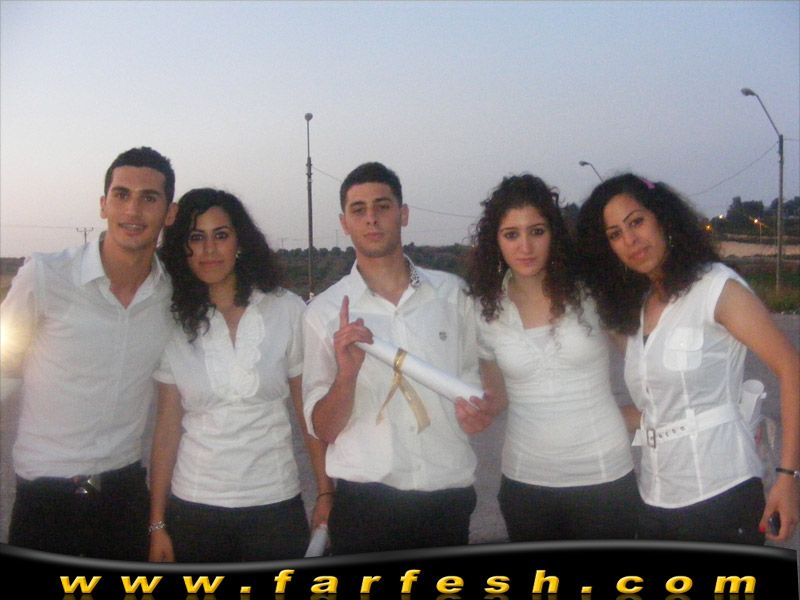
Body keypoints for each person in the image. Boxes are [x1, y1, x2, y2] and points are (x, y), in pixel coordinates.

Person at [576, 173, 799, 544]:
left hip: (722, 495)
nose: (630, 240)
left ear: (662, 218)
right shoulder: (639, 310)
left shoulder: (716, 288)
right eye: (614, 234)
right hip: (655, 499)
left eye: (636, 222)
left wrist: (788, 478)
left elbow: (790, 368)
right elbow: (658, 410)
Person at [302, 162, 499, 555]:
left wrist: (479, 413)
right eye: (359, 210)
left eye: (383, 206)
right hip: (365, 507)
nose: (371, 219)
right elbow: (323, 429)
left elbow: (474, 389)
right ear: (344, 223)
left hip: (446, 500)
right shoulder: (323, 313)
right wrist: (346, 377)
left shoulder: (453, 296)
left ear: (403, 214)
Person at [0, 146, 177, 559]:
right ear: (103, 204)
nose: (133, 210)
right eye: (121, 194)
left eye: (149, 198)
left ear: (169, 213)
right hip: (44, 499)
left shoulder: (170, 295)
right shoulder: (46, 276)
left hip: (124, 495)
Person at [148, 188, 333, 563]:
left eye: (221, 235)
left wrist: (326, 493)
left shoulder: (285, 309)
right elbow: (166, 427)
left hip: (275, 505)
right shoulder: (171, 321)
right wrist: (157, 523)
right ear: (182, 248)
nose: (209, 249)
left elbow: (306, 413)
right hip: (193, 508)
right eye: (196, 237)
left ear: (240, 242)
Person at [465, 174, 640, 542]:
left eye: (537, 231)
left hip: (605, 480)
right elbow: (497, 397)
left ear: (554, 234)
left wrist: (644, 416)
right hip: (525, 486)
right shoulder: (485, 311)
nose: (525, 246)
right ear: (495, 241)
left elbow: (646, 365)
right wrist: (476, 410)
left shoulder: (592, 293)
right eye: (511, 234)